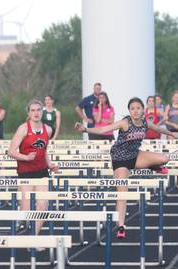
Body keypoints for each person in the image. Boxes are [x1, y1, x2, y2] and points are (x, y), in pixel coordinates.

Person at [75, 97, 177, 239]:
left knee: (165, 159)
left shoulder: (145, 123)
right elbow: (104, 129)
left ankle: (153, 166)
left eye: (138, 108)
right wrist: (85, 129)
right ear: (129, 111)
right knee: (122, 193)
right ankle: (121, 226)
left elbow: (158, 128)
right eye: (132, 108)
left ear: (143, 110)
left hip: (135, 156)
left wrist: (171, 133)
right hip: (120, 160)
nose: (135, 111)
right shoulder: (125, 122)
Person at [8, 100, 60, 236]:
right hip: (25, 172)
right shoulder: (23, 129)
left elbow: (44, 150)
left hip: (42, 171)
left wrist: (50, 165)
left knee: (43, 205)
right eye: (33, 110)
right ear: (28, 113)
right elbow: (11, 151)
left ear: (42, 111)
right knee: (26, 210)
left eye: (38, 110)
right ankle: (23, 222)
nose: (36, 113)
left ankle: (34, 236)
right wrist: (26, 157)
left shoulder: (47, 129)